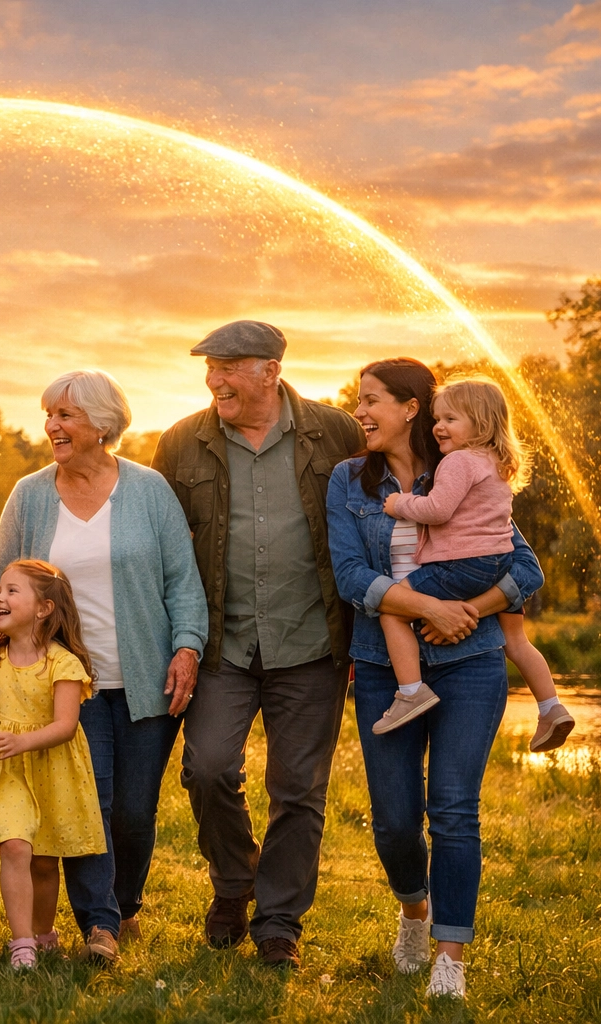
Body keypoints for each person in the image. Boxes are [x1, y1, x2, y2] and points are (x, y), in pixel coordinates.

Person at [326, 358, 544, 1000]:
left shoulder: (464, 466)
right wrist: (428, 607)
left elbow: (522, 567)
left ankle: (451, 957)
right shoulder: (348, 480)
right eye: (358, 401)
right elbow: (349, 576)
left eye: (370, 401)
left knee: (453, 810)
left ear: (410, 407)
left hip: (471, 664)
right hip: (382, 666)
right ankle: (415, 911)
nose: (359, 412)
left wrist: (470, 612)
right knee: (395, 820)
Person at [151, 320, 364, 969]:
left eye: (228, 367)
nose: (215, 380)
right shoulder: (182, 443)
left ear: (270, 370)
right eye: (209, 369)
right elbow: (166, 550)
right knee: (208, 768)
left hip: (312, 644)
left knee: (298, 789)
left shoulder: (337, 434)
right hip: (223, 645)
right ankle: (235, 880)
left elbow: (372, 522)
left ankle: (279, 926)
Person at [0, 369, 207, 963]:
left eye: (65, 415)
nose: (51, 425)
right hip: (67, 685)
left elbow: (182, 581)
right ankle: (99, 927)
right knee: (91, 807)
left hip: (144, 679)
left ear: (101, 425)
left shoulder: (149, 490)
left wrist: (187, 647)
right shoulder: (30, 496)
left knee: (135, 810)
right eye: (49, 414)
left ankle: (123, 905)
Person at [372, 377, 573, 750]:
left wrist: (399, 504)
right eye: (437, 418)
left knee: (393, 608)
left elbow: (437, 509)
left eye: (450, 419)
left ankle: (411, 691)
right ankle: (550, 706)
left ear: (480, 424)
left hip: (461, 565)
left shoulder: (458, 462)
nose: (438, 427)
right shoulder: (496, 462)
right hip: (500, 563)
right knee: (516, 639)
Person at [0, 560, 105, 971]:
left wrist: (23, 741)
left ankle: (44, 934)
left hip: (53, 769)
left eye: (12, 591)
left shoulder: (62, 663)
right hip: (7, 771)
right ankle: (23, 946)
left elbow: (66, 726)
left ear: (44, 608)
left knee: (45, 859)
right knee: (15, 847)